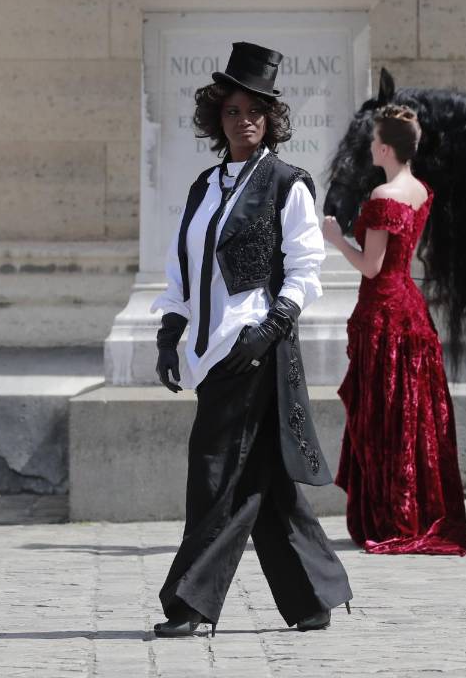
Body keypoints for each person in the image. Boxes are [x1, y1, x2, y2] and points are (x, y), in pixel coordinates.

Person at [149, 42, 352, 637]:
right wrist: (169, 333)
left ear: (270, 119)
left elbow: (306, 269)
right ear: (218, 118)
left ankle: (189, 602)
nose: (244, 120)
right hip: (211, 353)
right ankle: (314, 597)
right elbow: (183, 268)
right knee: (263, 476)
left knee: (215, 471)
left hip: (256, 350)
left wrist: (267, 332)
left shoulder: (287, 183)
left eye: (255, 110)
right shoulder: (204, 186)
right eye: (233, 110)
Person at [322, 104, 466, 556]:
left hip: (384, 314)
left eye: (373, 141)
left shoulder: (385, 196)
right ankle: (416, 510)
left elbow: (371, 267)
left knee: (386, 417)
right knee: (413, 415)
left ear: (385, 148)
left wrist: (336, 239)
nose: (369, 147)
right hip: (411, 310)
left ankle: (391, 515)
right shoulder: (421, 190)